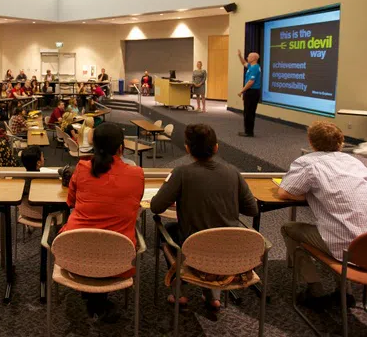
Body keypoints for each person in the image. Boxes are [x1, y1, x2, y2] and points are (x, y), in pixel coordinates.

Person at [278, 122, 367, 305]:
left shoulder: (308, 163)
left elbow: (285, 192)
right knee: (343, 227)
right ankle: (344, 292)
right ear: (341, 142)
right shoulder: (356, 163)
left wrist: (313, 195)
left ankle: (315, 289)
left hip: (347, 246)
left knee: (289, 228)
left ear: (311, 142)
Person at [150, 124, 258, 312]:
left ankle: (179, 293)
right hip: (231, 253)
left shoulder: (181, 173)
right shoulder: (233, 172)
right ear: (216, 147)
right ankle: (212, 296)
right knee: (213, 239)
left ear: (187, 148)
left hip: (195, 251)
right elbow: (252, 210)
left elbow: (156, 206)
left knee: (168, 232)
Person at [61, 123, 144, 322]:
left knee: (89, 241)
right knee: (106, 243)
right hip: (118, 258)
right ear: (121, 149)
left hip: (75, 253)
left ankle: (93, 296)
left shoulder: (81, 168)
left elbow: (70, 202)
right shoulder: (137, 174)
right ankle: (98, 300)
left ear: (94, 146)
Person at [237, 49, 261, 137]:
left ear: (254, 58)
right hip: (251, 92)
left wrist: (241, 91)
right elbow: (244, 63)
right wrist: (239, 56)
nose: (247, 57)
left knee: (249, 112)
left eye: (249, 56)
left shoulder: (254, 68)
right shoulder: (252, 66)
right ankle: (247, 130)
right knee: (248, 112)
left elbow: (251, 82)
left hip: (252, 92)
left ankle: (249, 132)